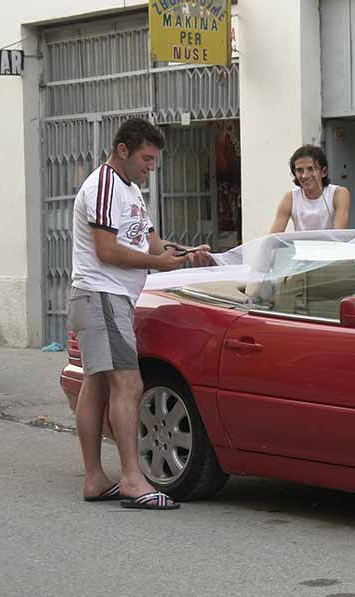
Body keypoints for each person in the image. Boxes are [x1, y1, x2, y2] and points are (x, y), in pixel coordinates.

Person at [69, 116, 211, 511]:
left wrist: (182, 253)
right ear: (123, 151)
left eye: (154, 160)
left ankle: (96, 479)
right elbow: (106, 250)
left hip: (114, 297)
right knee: (128, 385)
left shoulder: (131, 190)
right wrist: (159, 264)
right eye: (146, 159)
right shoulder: (103, 185)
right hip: (100, 294)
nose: (151, 167)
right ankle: (132, 478)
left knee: (97, 384)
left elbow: (150, 243)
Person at [270, 145, 350, 232]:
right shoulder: (290, 198)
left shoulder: (339, 193)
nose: (305, 175)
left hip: (330, 245)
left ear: (324, 172)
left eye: (311, 169)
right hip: (302, 245)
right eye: (299, 170)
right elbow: (274, 236)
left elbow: (338, 235)